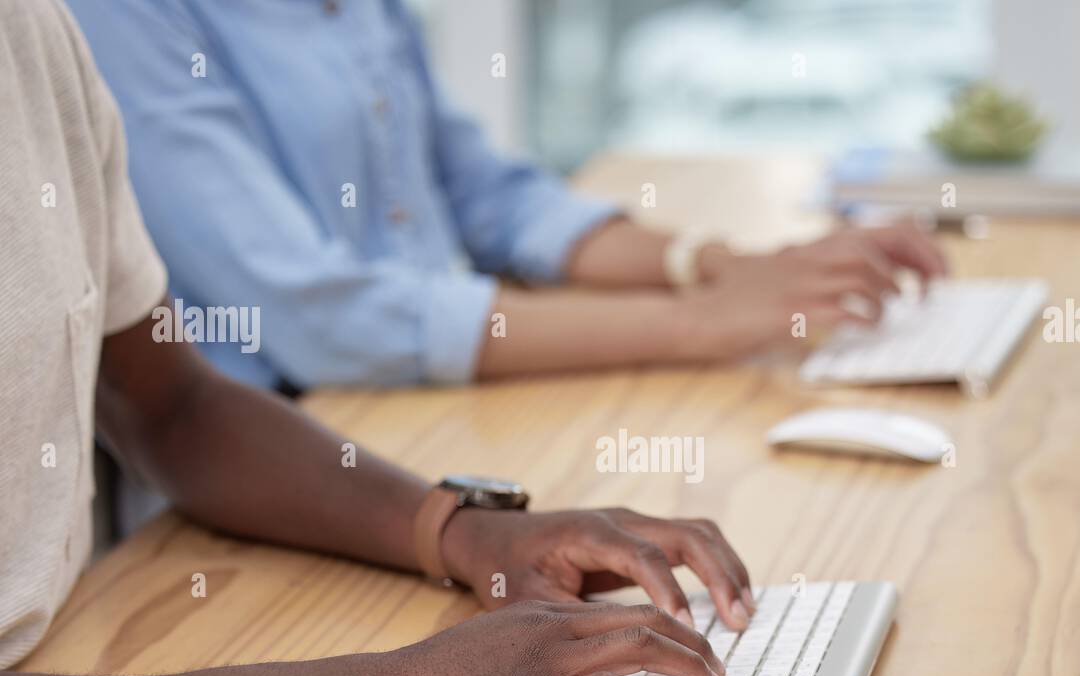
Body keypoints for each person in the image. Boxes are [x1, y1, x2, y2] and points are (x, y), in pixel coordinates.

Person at [0, 0, 754, 676]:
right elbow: (318, 317)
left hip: (78, 666)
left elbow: (171, 405)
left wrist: (463, 527)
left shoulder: (35, 34)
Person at [65, 0, 948, 394]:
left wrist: (727, 263)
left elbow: (485, 195)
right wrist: (701, 321)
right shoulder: (118, 15)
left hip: (442, 399)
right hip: (286, 459)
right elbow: (316, 317)